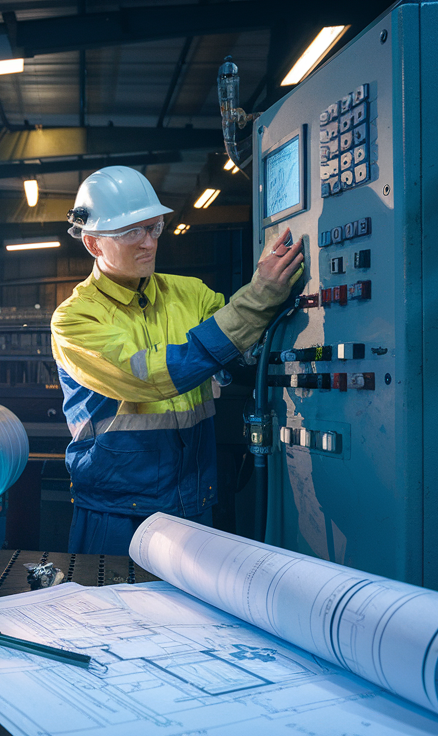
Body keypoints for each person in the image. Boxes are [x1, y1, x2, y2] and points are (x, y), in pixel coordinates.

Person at [50, 166, 302, 555]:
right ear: (94, 244)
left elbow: (245, 344)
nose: (148, 243)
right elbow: (153, 376)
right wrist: (257, 297)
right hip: (117, 513)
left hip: (194, 503)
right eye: (131, 232)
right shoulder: (75, 319)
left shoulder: (191, 294)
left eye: (154, 228)